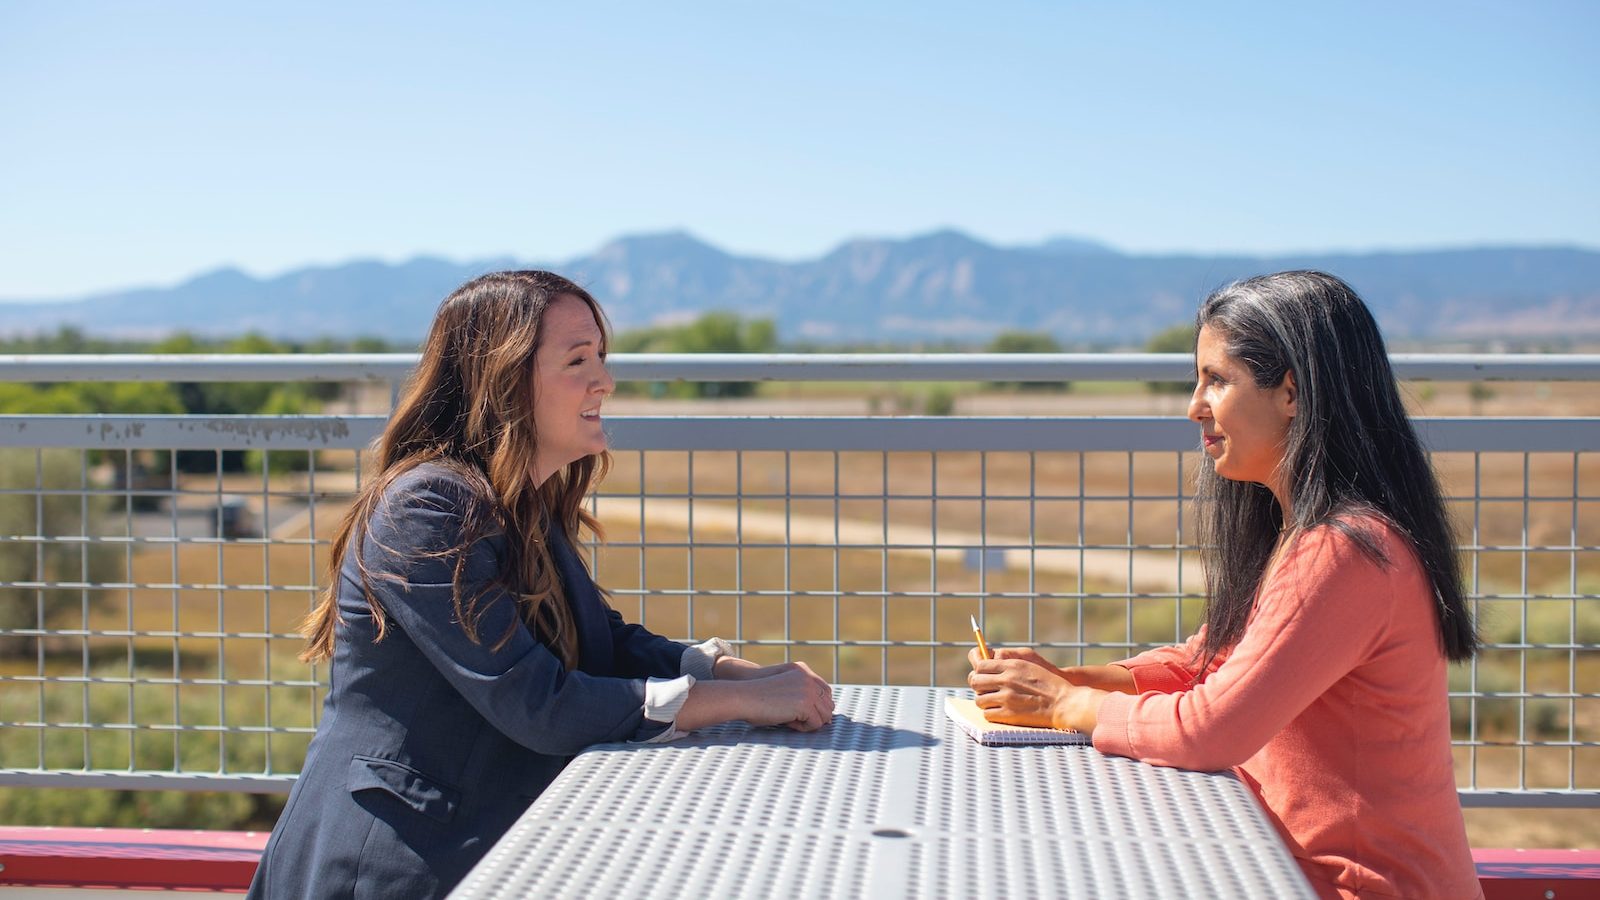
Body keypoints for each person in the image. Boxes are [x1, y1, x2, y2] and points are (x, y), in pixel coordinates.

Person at [248, 270, 833, 900]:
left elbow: (601, 641)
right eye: (578, 360)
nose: (604, 381)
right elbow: (536, 701)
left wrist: (736, 673)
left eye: (602, 358)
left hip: (479, 843)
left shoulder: (516, 502)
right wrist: (743, 704)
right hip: (390, 860)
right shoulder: (427, 509)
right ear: (503, 380)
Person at [968, 271, 1481, 899]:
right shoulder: (1304, 531)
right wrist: (1070, 680)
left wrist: (1062, 706)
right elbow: (1205, 663)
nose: (1194, 406)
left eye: (1217, 380)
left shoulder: (1345, 551)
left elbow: (1212, 729)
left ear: (1291, 392)